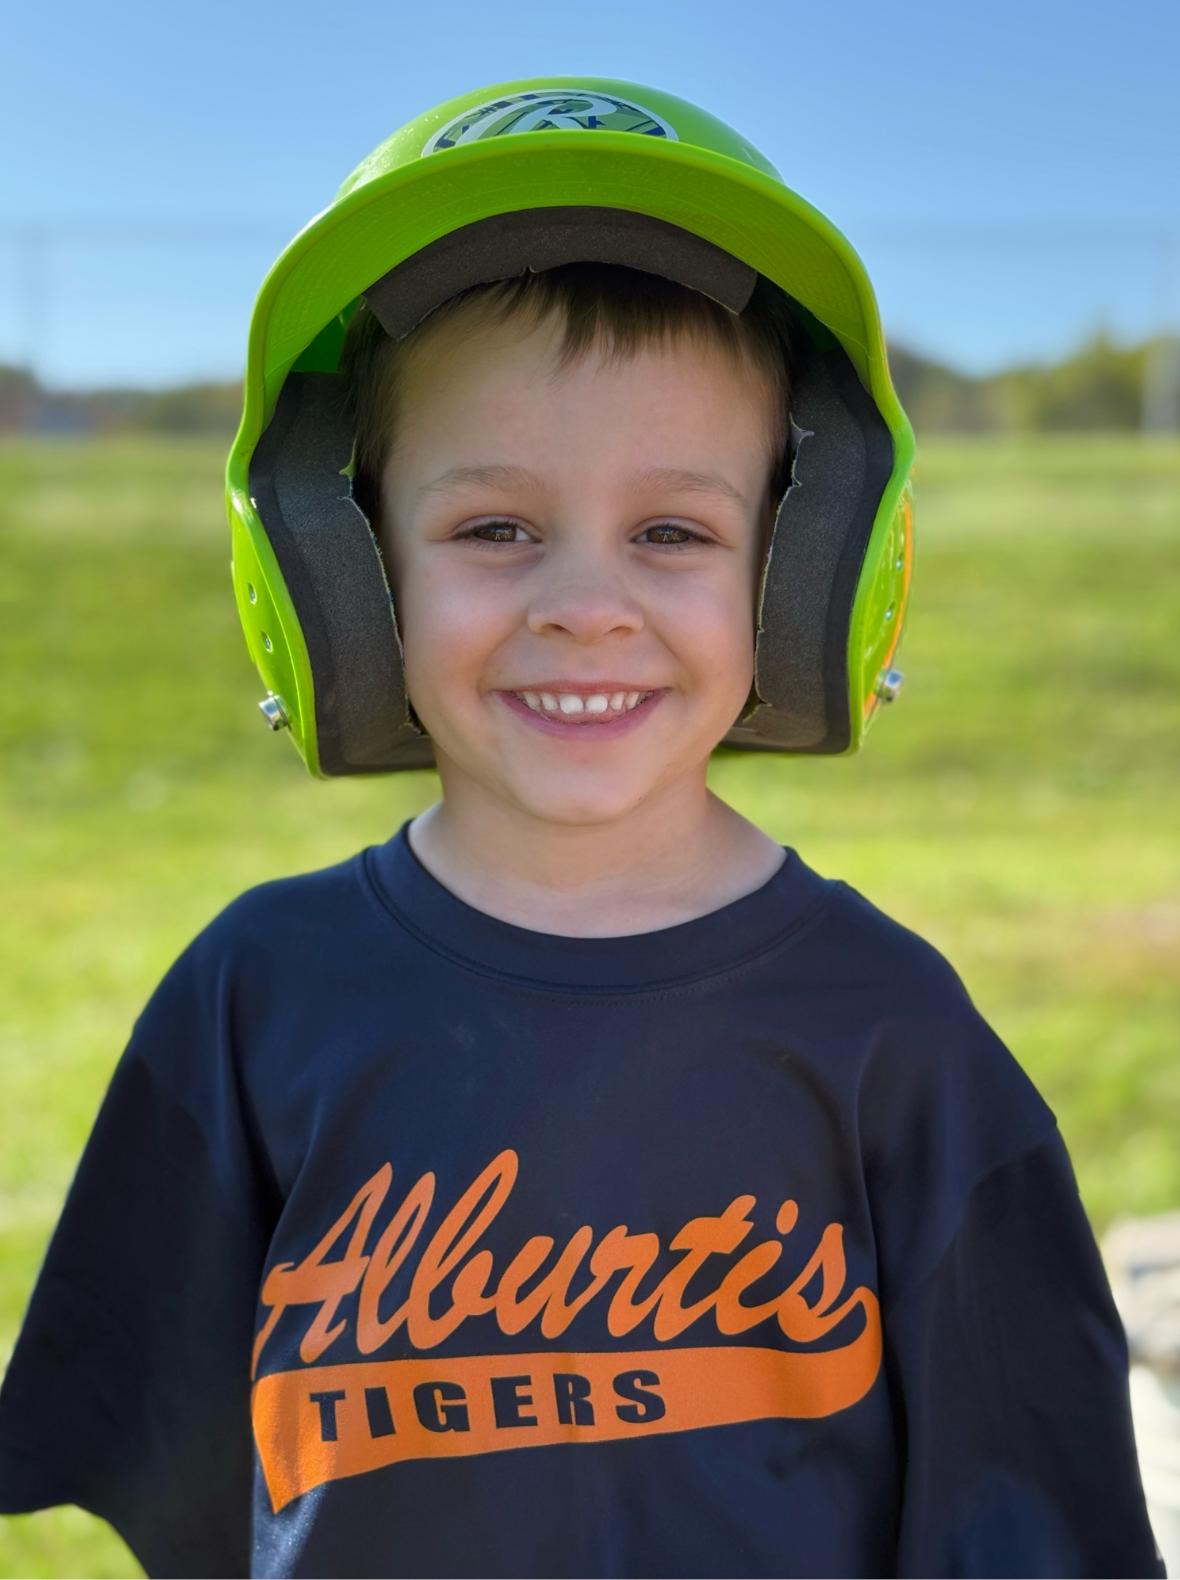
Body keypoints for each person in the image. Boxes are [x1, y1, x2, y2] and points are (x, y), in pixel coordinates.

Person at [0, 79, 1161, 1580]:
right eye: (494, 529)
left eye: (672, 532)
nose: (584, 604)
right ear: (348, 575)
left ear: (805, 571)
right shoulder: (253, 998)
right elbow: (186, 1494)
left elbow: (1026, 1533)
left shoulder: (893, 1034)